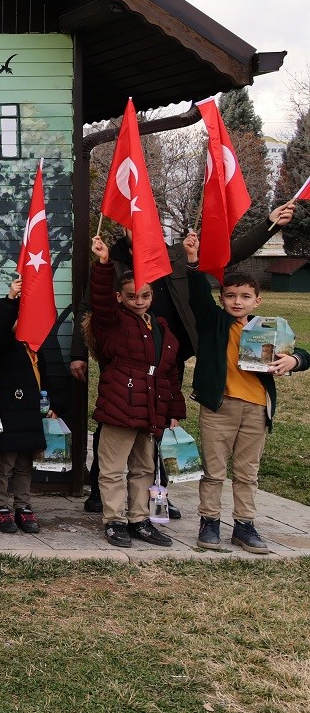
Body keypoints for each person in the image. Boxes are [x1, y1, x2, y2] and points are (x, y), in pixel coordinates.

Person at [73, 202, 297, 513]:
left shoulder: (178, 255)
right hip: (125, 360)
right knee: (114, 422)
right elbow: (89, 308)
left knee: (161, 425)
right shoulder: (112, 262)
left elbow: (228, 253)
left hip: (168, 356)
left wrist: (270, 224)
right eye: (133, 225)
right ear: (124, 228)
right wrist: (78, 354)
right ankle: (100, 492)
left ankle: (158, 496)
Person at [182, 232, 310, 552]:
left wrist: (293, 360)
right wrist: (194, 261)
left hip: (256, 409)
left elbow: (302, 354)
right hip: (219, 407)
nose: (237, 302)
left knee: (247, 473)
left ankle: (244, 525)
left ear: (257, 300)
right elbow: (197, 294)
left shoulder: (267, 329)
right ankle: (210, 522)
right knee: (214, 471)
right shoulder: (213, 322)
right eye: (230, 296)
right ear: (222, 298)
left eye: (244, 296)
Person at [88, 235, 185, 548]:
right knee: (113, 469)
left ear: (152, 295)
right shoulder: (111, 322)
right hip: (120, 404)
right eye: (131, 296)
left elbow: (170, 372)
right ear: (119, 297)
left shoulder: (161, 328)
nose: (139, 301)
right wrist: (104, 264)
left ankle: (139, 520)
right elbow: (99, 301)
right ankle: (114, 520)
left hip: (152, 408)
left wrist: (174, 410)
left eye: (144, 295)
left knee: (145, 467)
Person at [0, 277, 51, 535]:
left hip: (30, 416)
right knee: (4, 465)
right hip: (7, 414)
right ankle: (0, 507)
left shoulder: (34, 348)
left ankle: (23, 507)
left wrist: (52, 404)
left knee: (24, 466)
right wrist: (10, 300)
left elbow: (45, 379)